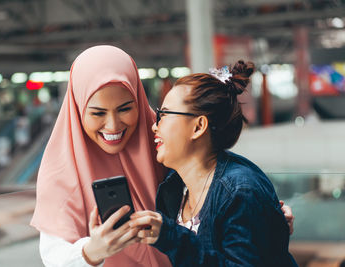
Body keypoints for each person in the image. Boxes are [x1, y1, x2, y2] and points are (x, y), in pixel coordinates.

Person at [31, 46, 294, 267]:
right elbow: (54, 257)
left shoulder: (165, 150)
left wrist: (264, 220)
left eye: (125, 108)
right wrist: (92, 251)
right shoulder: (63, 172)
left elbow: (225, 198)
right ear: (78, 111)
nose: (113, 126)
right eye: (97, 113)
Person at [129, 61, 298, 266]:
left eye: (163, 115)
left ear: (198, 126)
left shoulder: (240, 190)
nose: (155, 126)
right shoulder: (176, 184)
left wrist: (171, 236)